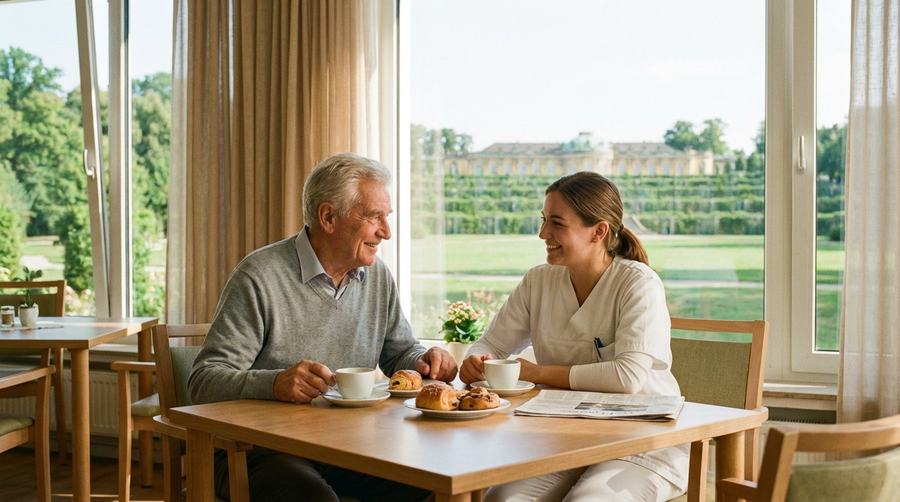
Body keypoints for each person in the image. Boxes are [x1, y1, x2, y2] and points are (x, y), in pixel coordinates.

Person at [188, 152, 458, 502]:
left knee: (437, 486)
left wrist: (425, 360)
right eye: (374, 217)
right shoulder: (259, 276)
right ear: (328, 216)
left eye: (386, 217)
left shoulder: (376, 276)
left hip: (348, 446)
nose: (386, 232)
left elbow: (400, 353)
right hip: (256, 450)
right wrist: (275, 383)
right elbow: (203, 381)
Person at [459, 171, 688, 502]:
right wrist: (475, 360)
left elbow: (627, 378)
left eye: (557, 223)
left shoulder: (638, 284)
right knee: (502, 500)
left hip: (644, 440)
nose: (542, 233)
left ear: (598, 231)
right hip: (564, 437)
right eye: (543, 220)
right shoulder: (539, 281)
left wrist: (536, 373)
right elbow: (491, 345)